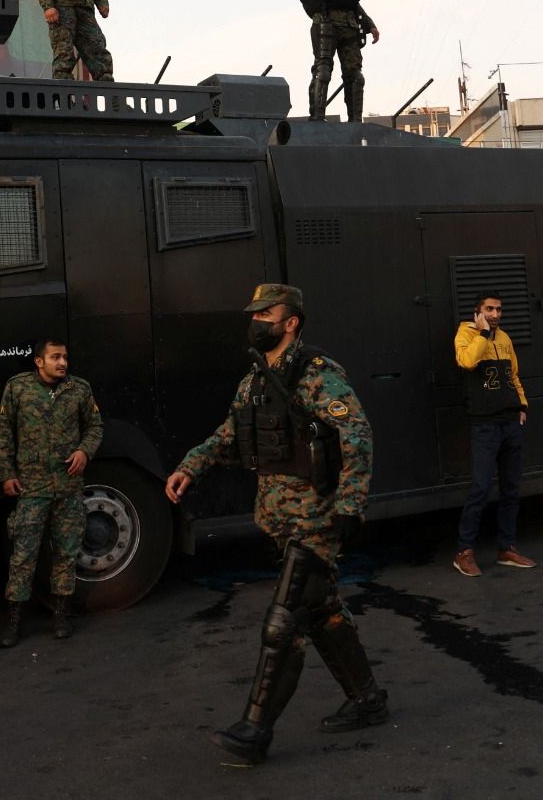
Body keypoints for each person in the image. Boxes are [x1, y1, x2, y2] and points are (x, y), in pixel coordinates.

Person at [165, 284, 386, 766]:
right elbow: (230, 434)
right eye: (254, 313)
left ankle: (255, 730)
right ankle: (368, 699)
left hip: (316, 517)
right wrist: (191, 465)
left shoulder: (317, 376)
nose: (257, 320)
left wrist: (351, 503)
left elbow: (357, 432)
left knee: (282, 622)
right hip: (279, 518)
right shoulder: (255, 380)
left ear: (292, 322)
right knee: (323, 611)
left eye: (268, 313)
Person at [0, 337, 103, 647]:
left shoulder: (79, 389)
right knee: (23, 556)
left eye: (65, 357)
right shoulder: (18, 388)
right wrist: (7, 474)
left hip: (68, 487)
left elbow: (96, 426)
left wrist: (84, 451)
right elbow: (4, 434)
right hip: (32, 486)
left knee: (66, 554)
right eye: (55, 357)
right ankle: (13, 621)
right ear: (39, 362)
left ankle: (61, 617)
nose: (63, 363)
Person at [452, 294, 536, 577]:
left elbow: (513, 375)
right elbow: (466, 361)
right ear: (478, 312)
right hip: (485, 426)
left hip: (510, 423)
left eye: (499, 309)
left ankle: (506, 548)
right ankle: (464, 552)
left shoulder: (505, 339)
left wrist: (521, 405)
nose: (495, 313)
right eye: (489, 309)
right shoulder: (466, 334)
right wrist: (483, 333)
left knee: (511, 488)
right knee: (480, 487)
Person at [293, 0, 379, 123]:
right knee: (323, 72)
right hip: (325, 24)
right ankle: (317, 119)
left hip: (349, 25)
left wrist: (368, 23)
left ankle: (356, 122)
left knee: (356, 77)